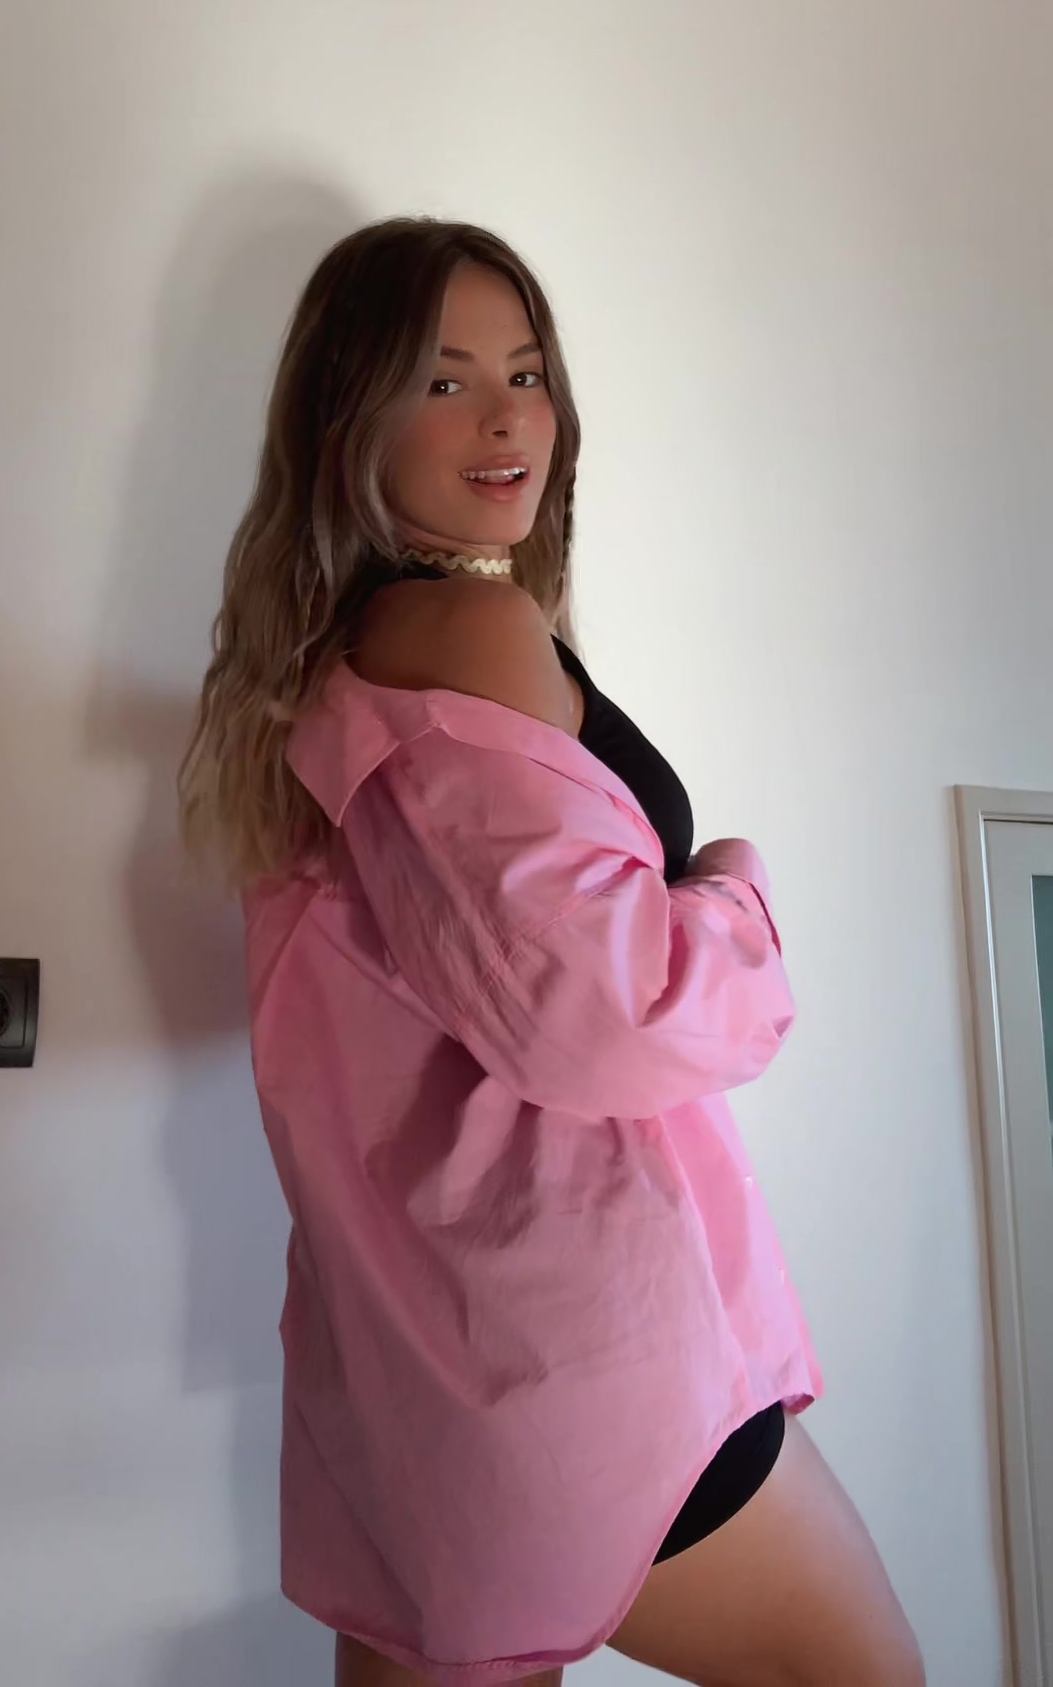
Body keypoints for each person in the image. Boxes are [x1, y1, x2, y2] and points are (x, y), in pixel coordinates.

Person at [178, 218, 924, 1687]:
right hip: (583, 1350)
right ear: (349, 415)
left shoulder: (326, 673)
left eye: (525, 373)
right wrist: (736, 897)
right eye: (444, 379)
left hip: (414, 1368)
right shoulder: (471, 629)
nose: (508, 417)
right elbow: (608, 1013)